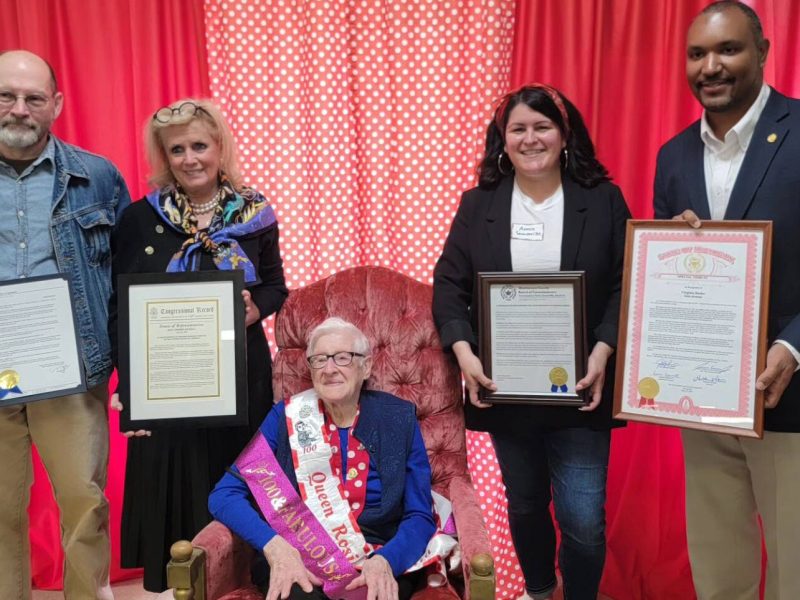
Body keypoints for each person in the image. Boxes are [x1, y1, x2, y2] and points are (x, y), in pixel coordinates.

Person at [432, 84, 630, 600]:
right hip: (508, 387)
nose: (530, 138)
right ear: (503, 139)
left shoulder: (602, 200)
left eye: (542, 126)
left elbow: (625, 283)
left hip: (583, 384)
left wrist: (605, 349)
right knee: (524, 505)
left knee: (583, 518)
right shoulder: (478, 205)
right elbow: (449, 284)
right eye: (518, 128)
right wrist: (464, 353)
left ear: (565, 136)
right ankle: (541, 592)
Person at [108, 98, 288, 591]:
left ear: (219, 147)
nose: (190, 158)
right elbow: (121, 308)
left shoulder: (256, 212)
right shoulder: (139, 219)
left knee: (235, 485)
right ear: (164, 158)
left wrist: (258, 307)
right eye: (177, 149)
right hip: (167, 386)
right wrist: (130, 392)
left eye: (199, 146)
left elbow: (276, 285)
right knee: (176, 504)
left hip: (239, 379)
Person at [653, 2, 800, 598]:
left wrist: (794, 344)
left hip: (788, 395)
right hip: (704, 396)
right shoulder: (674, 155)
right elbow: (662, 276)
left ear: (763, 52)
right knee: (719, 566)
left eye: (728, 50)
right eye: (697, 54)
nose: (710, 66)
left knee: (795, 564)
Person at [0, 50, 131, 599]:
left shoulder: (97, 177)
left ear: (55, 104)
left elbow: (130, 277)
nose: (19, 109)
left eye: (33, 98)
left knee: (84, 504)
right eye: (6, 96)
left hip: (73, 372)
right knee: (0, 510)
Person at [209, 317, 436, 600]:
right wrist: (275, 547)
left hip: (375, 555)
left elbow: (420, 515)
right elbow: (224, 495)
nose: (329, 369)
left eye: (342, 358)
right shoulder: (285, 417)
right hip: (298, 554)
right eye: (319, 360)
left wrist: (387, 560)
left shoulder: (399, 418)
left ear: (365, 366)